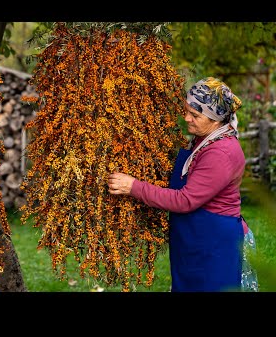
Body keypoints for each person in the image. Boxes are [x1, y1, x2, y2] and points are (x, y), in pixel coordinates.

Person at [107, 77, 258, 292]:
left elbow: (185, 200)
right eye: (186, 110)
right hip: (196, 239)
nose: (186, 118)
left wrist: (133, 187)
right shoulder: (204, 140)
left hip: (214, 246)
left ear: (215, 119)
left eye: (195, 115)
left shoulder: (221, 153)